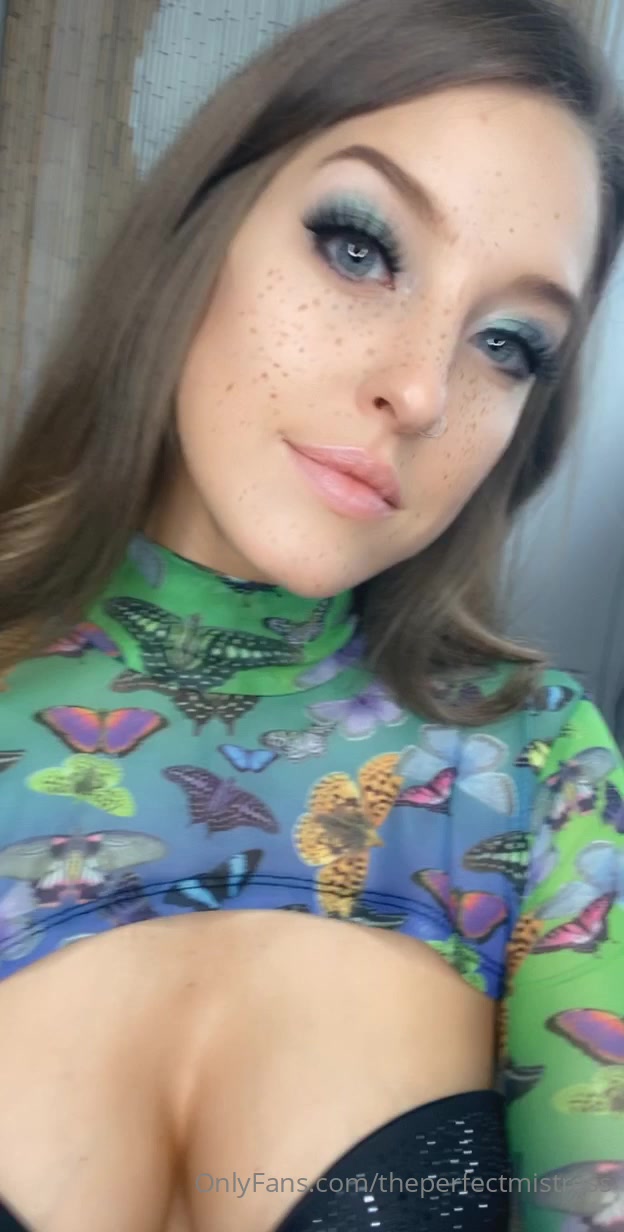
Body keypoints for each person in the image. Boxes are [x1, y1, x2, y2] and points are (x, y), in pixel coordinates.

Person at [0, 0, 623, 1228]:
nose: (421, 388)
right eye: (360, 246)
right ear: (203, 230)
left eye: (509, 342)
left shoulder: (540, 767)